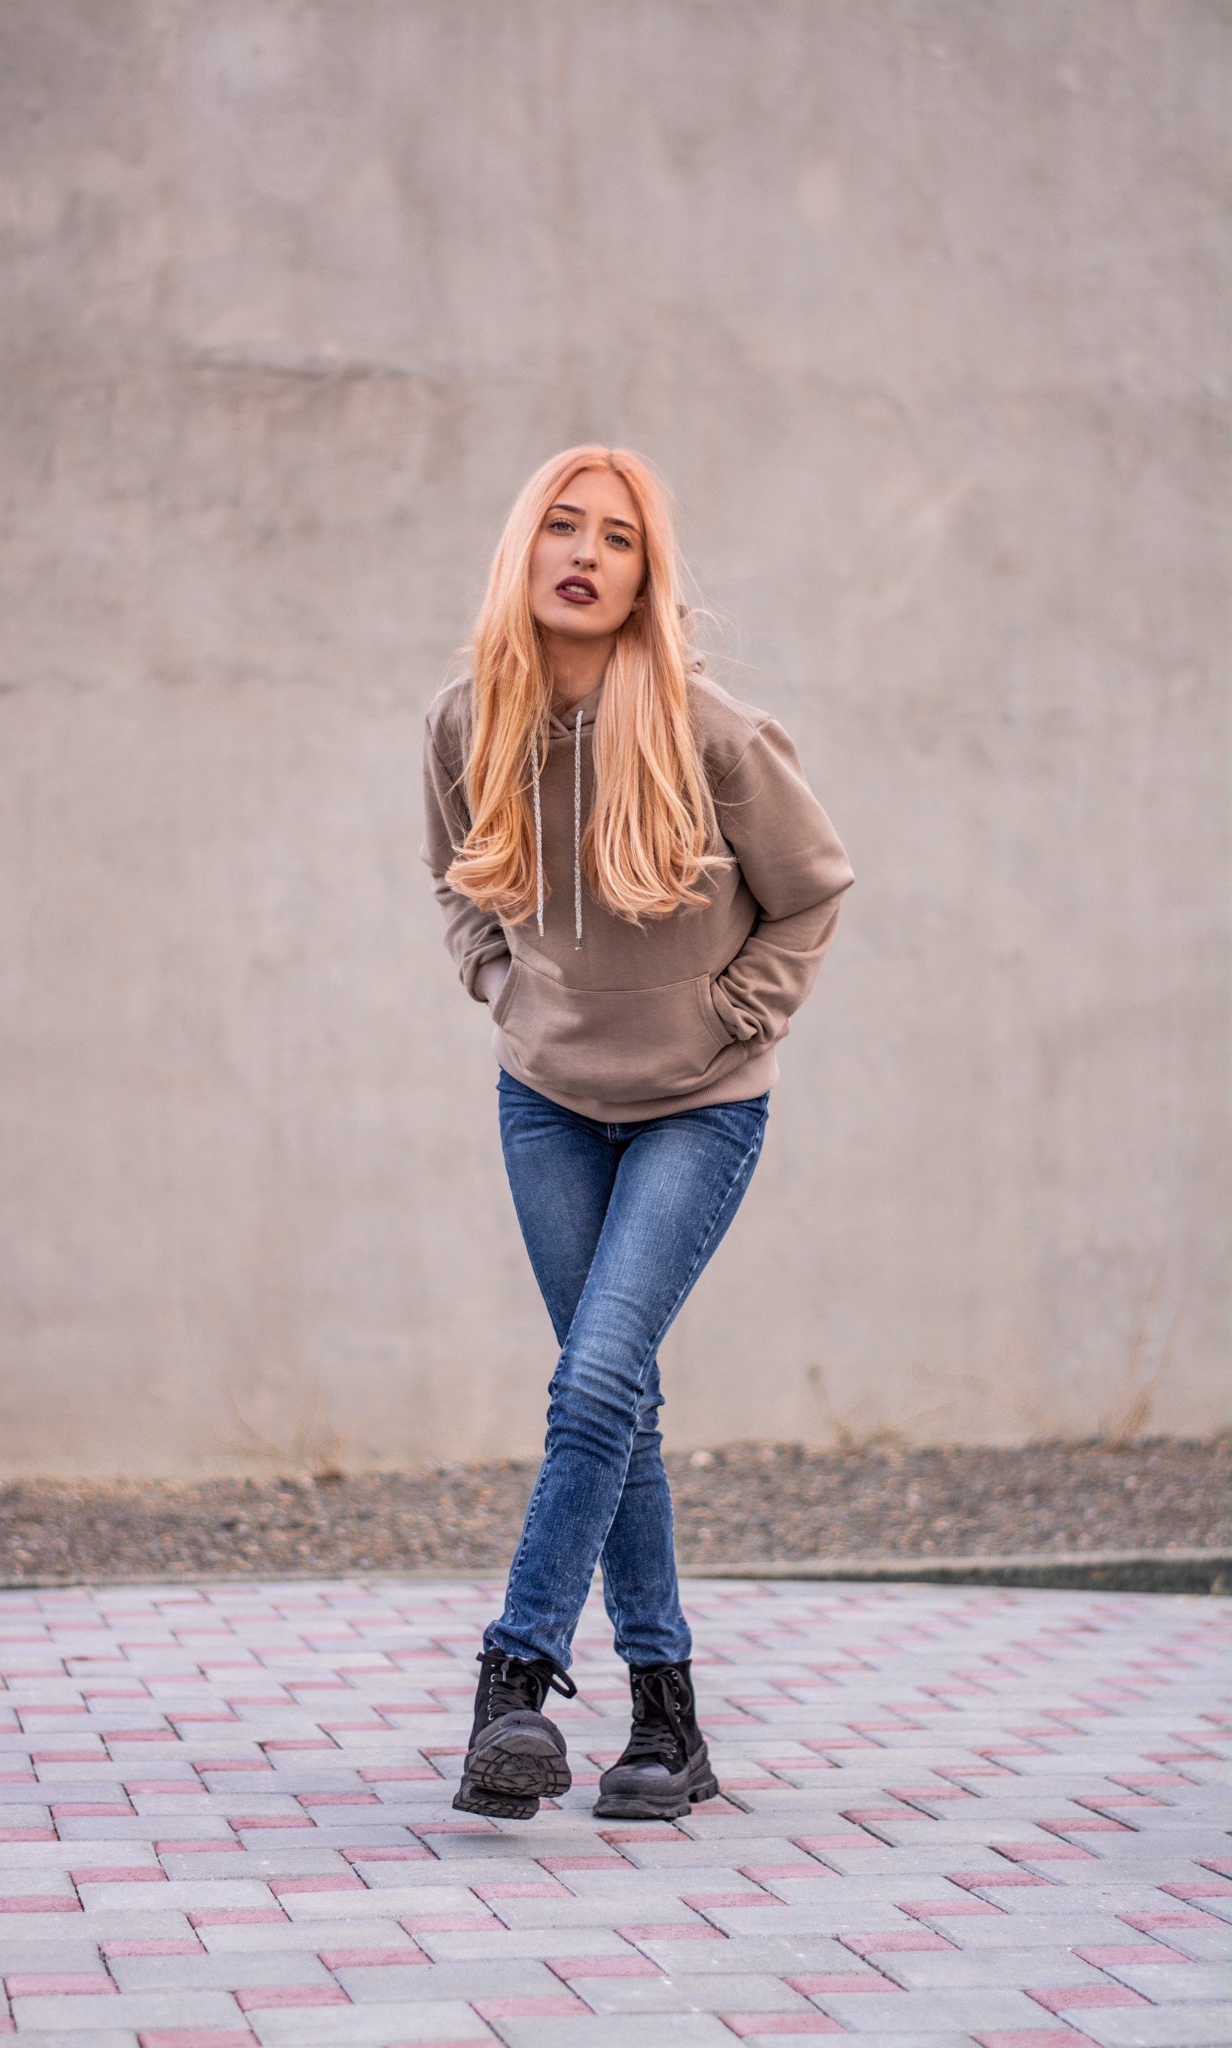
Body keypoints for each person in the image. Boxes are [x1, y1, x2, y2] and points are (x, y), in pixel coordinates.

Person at [420, 444, 854, 1822]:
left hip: (697, 1107)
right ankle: (666, 1723)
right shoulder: (460, 723)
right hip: (545, 1099)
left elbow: (812, 891)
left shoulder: (712, 733)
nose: (586, 552)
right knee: (620, 1411)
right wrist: (503, 989)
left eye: (617, 538)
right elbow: (456, 890)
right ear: (522, 549)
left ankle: (513, 1680)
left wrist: (738, 1014)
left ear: (643, 577)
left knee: (596, 1383)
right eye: (562, 525)